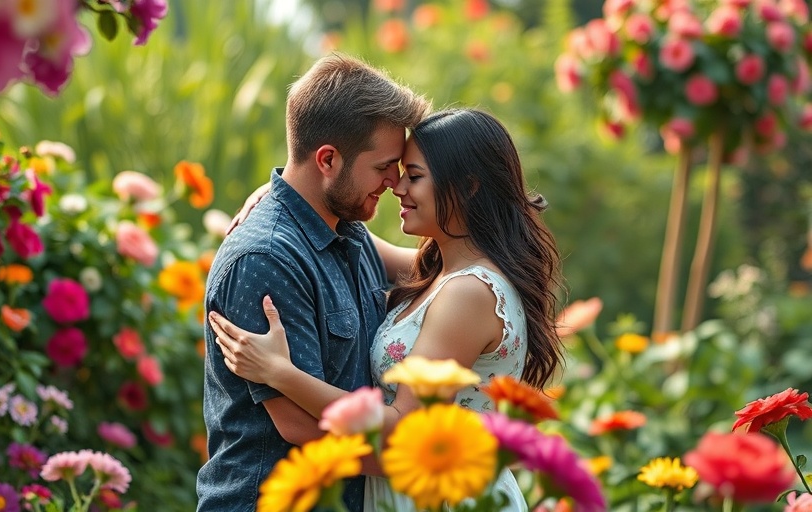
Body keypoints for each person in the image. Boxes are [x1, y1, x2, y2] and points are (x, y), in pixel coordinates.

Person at [210, 108, 564, 511]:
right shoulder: (447, 273)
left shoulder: (468, 294)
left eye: (414, 176)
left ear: (468, 187)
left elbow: (403, 427)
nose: (397, 186)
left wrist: (281, 374)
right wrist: (279, 194)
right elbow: (327, 220)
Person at [195, 53, 429, 512]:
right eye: (384, 166)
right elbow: (301, 425)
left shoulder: (348, 230)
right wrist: (428, 458)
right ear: (327, 159)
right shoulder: (266, 259)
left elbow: (435, 271)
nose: (395, 181)